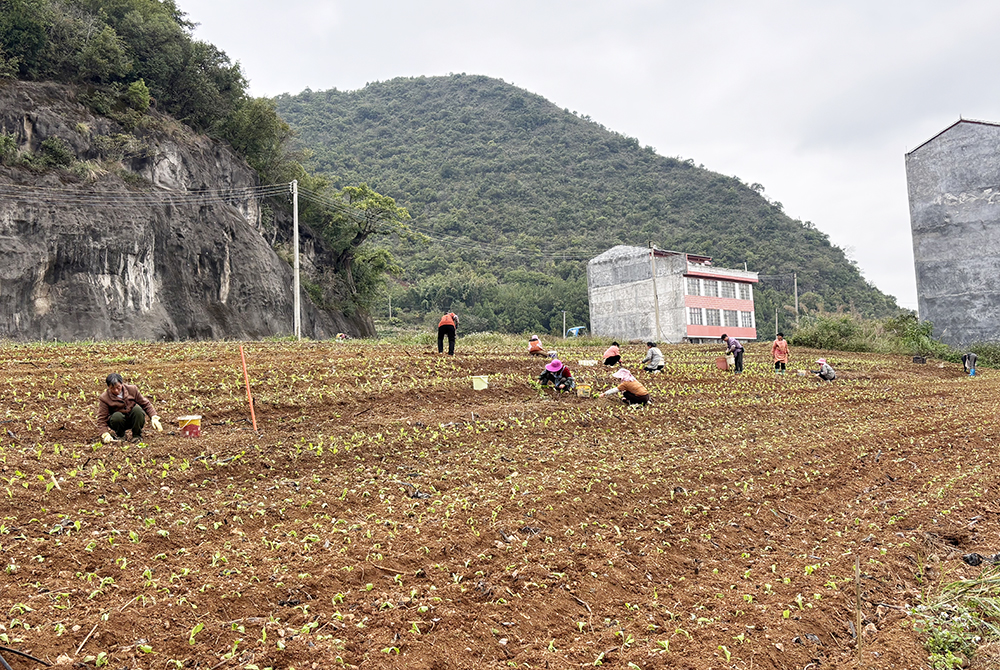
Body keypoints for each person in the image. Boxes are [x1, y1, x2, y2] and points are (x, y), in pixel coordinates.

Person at [96, 373, 162, 443]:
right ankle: (121, 436)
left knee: (138, 410)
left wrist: (154, 417)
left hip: (133, 419)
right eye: (112, 388)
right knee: (117, 416)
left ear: (122, 384)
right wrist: (104, 433)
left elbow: (145, 404)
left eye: (118, 387)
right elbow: (102, 418)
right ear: (108, 387)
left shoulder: (132, 390)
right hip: (118, 422)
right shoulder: (104, 398)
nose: (116, 390)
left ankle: (137, 435)